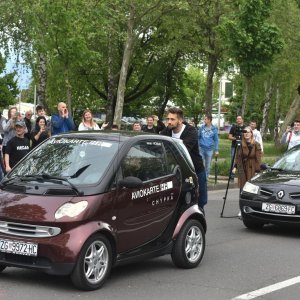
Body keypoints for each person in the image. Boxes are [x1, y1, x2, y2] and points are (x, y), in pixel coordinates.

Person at [160, 107, 207, 209]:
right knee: (180, 202)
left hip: (195, 170)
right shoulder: (167, 131)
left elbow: (183, 150)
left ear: (180, 120)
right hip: (176, 172)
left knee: (200, 200)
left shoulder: (191, 131)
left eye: (172, 119)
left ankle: (199, 221)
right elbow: (158, 147)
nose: (169, 122)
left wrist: (166, 150)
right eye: (168, 119)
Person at [198, 114, 219, 179]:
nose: (204, 120)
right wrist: (198, 146)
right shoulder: (202, 127)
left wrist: (216, 150)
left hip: (209, 150)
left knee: (208, 166)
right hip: (201, 149)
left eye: (205, 119)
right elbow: (198, 137)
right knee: (200, 165)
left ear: (209, 120)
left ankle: (205, 179)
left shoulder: (214, 129)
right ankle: (200, 178)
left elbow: (216, 140)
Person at [228, 115, 246, 182]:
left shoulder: (245, 128)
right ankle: (231, 176)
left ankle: (241, 176)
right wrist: (236, 138)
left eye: (240, 119)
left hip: (243, 147)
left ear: (242, 120)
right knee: (233, 161)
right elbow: (229, 137)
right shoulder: (233, 127)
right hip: (234, 146)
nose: (238, 120)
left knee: (242, 161)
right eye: (237, 119)